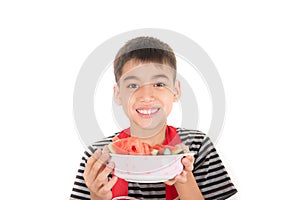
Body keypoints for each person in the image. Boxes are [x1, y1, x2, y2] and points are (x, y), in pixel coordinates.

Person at [70, 36, 237, 200]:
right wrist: (98, 197)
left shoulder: (197, 146)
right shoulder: (98, 155)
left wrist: (184, 179)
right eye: (133, 85)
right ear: (118, 95)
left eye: (159, 84)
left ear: (176, 90)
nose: (146, 96)